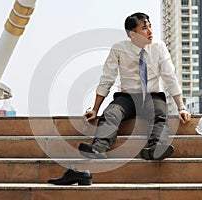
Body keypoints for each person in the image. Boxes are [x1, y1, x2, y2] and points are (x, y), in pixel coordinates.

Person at [78, 12, 191, 160]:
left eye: (150, 26)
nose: (150, 32)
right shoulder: (119, 49)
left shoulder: (159, 47)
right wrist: (95, 109)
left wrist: (181, 107)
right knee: (111, 113)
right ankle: (98, 148)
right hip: (127, 98)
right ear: (132, 34)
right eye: (144, 28)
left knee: (160, 115)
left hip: (152, 96)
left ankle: (156, 148)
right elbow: (107, 79)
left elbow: (170, 78)